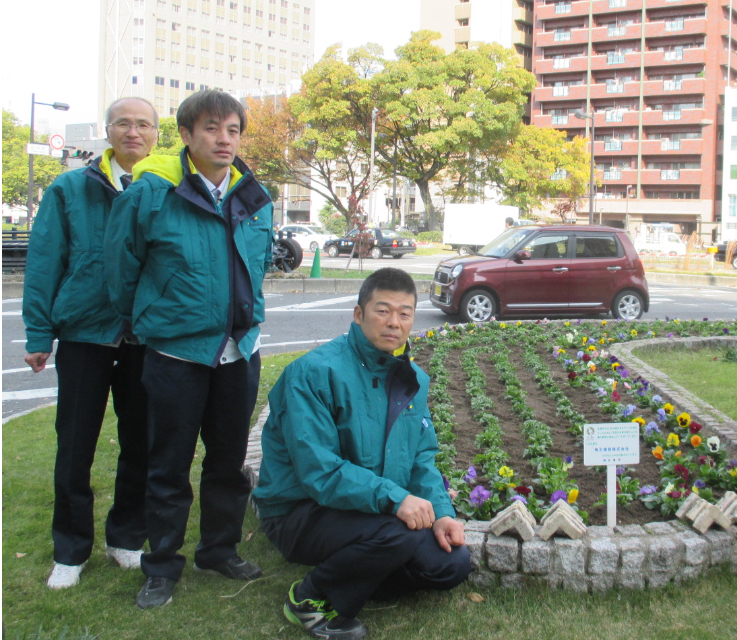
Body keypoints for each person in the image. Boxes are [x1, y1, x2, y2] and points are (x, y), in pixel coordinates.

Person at [105, 89, 275, 608]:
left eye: (232, 131)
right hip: (176, 356)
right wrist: (148, 320)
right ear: (186, 135)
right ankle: (161, 565)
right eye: (211, 129)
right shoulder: (152, 193)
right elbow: (120, 268)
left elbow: (260, 262)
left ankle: (218, 550)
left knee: (227, 463)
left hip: (237, 354)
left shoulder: (254, 196)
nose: (223, 140)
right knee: (168, 466)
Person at [253, 268, 470, 640]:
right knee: (397, 534)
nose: (394, 323)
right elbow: (318, 472)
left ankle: (357, 571)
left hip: (368, 511)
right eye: (382, 311)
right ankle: (307, 598)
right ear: (358, 314)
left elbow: (421, 458)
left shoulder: (412, 378)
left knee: (451, 564)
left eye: (404, 314)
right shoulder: (312, 373)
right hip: (300, 510)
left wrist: (442, 513)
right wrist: (395, 499)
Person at [23, 97, 159, 589]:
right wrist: (39, 333)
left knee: (140, 445)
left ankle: (126, 538)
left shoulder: (164, 186)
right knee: (74, 445)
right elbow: (44, 262)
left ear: (157, 133)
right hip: (84, 334)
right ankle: (70, 548)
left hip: (145, 337)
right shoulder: (71, 187)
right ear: (107, 131)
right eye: (123, 123)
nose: (133, 132)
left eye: (143, 124)